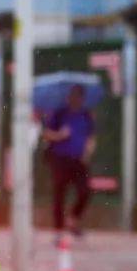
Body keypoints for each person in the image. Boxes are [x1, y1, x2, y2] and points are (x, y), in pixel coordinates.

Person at [42, 83, 95, 235]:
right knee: (60, 193)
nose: (75, 99)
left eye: (79, 96)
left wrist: (88, 151)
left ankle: (73, 219)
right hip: (60, 159)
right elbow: (46, 134)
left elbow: (91, 136)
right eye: (73, 96)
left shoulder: (86, 115)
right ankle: (58, 228)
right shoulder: (59, 114)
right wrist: (60, 135)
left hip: (78, 160)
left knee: (85, 191)